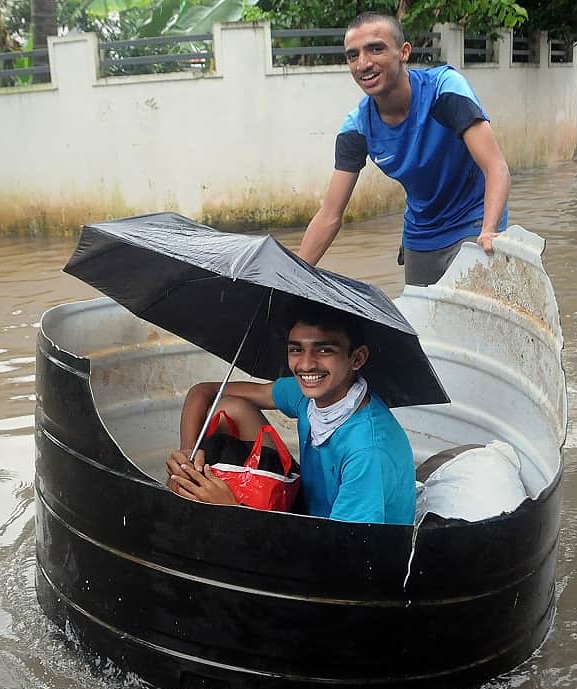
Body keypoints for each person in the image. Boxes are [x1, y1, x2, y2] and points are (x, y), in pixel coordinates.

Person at [297, 11, 510, 287]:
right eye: (353, 55)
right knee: (423, 324)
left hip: (475, 220)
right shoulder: (357, 128)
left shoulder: (444, 91)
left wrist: (490, 230)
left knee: (476, 312)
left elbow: (496, 167)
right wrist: (292, 277)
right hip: (421, 232)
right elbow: (330, 215)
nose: (364, 63)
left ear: (404, 52)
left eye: (376, 49)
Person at [165, 302, 416, 525]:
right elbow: (203, 392)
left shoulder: (367, 451)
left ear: (357, 358)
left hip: (337, 541)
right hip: (307, 506)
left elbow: (345, 556)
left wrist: (232, 511)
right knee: (227, 408)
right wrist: (188, 450)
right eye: (296, 349)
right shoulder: (308, 393)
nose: (305, 365)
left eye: (324, 350)